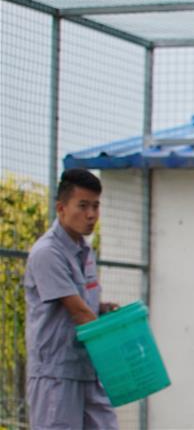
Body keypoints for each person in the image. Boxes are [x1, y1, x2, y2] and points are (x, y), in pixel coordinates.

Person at [24, 168, 119, 429]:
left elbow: (84, 306)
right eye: (83, 206)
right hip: (56, 376)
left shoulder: (85, 250)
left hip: (87, 369)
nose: (91, 215)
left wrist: (101, 309)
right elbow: (78, 312)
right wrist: (119, 350)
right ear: (61, 208)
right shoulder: (47, 253)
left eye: (96, 206)